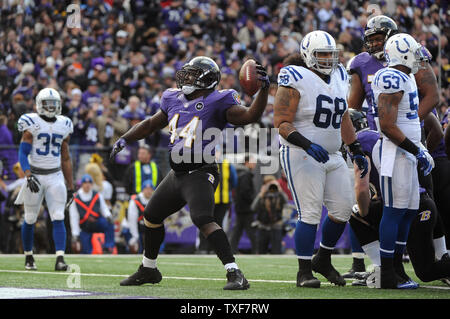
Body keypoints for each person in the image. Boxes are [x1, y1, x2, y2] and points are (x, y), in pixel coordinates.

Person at [110, 56, 270, 290]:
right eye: (186, 73)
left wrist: (263, 91)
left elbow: (249, 116)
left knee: (203, 218)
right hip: (177, 174)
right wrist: (126, 137)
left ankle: (235, 273)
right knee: (152, 216)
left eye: (193, 74)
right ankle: (149, 269)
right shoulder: (172, 98)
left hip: (201, 171)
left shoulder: (219, 100)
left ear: (207, 79)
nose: (186, 78)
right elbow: (151, 123)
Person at [273, 30, 368, 288]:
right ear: (307, 55)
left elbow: (343, 116)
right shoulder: (294, 76)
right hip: (300, 153)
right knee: (310, 212)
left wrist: (355, 147)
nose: (328, 59)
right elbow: (280, 123)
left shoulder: (338, 75)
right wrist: (306, 143)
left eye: (331, 54)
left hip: (333, 153)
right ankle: (304, 272)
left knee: (343, 208)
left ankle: (323, 259)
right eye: (322, 54)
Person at [347, 109, 450, 288]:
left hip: (410, 205)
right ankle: (390, 270)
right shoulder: (382, 139)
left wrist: (364, 210)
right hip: (422, 202)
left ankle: (386, 270)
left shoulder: (363, 143)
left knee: (357, 213)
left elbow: (362, 188)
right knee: (426, 272)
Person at [371, 33, 435, 289]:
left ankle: (397, 266)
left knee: (408, 211)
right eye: (415, 52)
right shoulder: (391, 76)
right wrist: (416, 149)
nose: (419, 57)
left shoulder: (405, 76)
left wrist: (417, 148)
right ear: (403, 52)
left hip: (405, 151)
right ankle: (387, 272)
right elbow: (387, 125)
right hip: (393, 152)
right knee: (394, 210)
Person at [15, 87, 74, 271]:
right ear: (39, 105)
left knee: (58, 215)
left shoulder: (64, 124)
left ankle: (60, 258)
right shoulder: (30, 122)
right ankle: (28, 256)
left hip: (55, 175)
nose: (50, 107)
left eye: (54, 104)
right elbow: (23, 153)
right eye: (47, 104)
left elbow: (65, 157)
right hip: (36, 175)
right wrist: (27, 174)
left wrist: (70, 186)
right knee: (31, 217)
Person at [348, 15, 439, 130]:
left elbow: (433, 96)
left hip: (410, 131)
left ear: (392, 37)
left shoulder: (410, 52)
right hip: (377, 133)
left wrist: (412, 124)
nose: (374, 44)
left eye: (378, 39)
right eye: (371, 40)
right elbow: (354, 109)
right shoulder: (361, 64)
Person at [197, 151, 237, 254]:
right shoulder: (205, 164)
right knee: (206, 222)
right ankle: (204, 248)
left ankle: (212, 248)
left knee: (216, 224)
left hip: (222, 200)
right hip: (209, 199)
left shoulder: (227, 165)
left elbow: (234, 181)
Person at [69, 174, 115, 254]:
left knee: (108, 223)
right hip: (85, 226)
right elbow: (74, 217)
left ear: (92, 184)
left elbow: (104, 208)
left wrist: (108, 216)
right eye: (85, 183)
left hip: (96, 222)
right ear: (82, 184)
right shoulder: (76, 198)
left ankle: (108, 247)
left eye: (89, 182)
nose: (87, 185)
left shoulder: (97, 195)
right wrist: (75, 234)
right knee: (85, 251)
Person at [229, 154, 258, 254]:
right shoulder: (246, 174)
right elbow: (245, 191)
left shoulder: (240, 173)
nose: (254, 163)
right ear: (246, 162)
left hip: (240, 206)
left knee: (238, 230)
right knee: (250, 231)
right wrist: (252, 201)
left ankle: (231, 249)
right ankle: (256, 250)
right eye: (252, 161)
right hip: (246, 207)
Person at [250, 178, 287, 254]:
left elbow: (286, 202)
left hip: (276, 226)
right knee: (261, 251)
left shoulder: (279, 195)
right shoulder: (262, 195)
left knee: (277, 251)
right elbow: (253, 208)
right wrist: (261, 194)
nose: (271, 188)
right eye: (268, 185)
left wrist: (280, 190)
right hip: (263, 227)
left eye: (272, 185)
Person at [125, 180, 155, 253]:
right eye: (147, 189)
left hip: (149, 226)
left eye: (151, 189)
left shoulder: (155, 199)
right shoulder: (135, 201)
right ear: (143, 190)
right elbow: (132, 220)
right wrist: (135, 236)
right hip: (137, 226)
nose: (149, 191)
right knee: (127, 232)